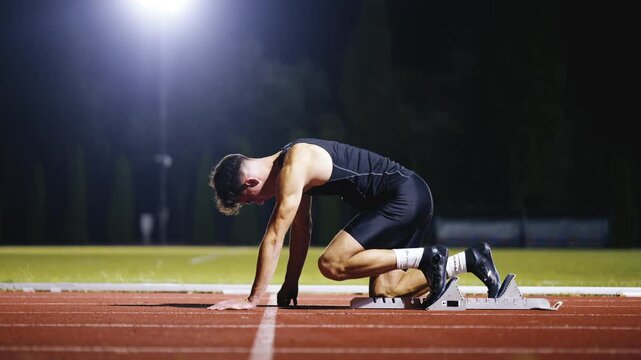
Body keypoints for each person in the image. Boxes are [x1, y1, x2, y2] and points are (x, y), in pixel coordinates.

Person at [208, 138, 500, 310]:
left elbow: (275, 235)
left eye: (250, 200)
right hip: (406, 197)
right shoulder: (292, 168)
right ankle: (471, 260)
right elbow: (301, 229)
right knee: (385, 292)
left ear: (250, 182)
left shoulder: (294, 163)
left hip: (403, 195)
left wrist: (252, 300)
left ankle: (427, 256)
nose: (258, 203)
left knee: (332, 264)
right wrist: (291, 282)